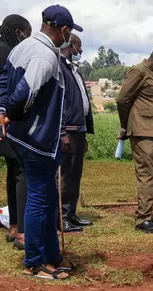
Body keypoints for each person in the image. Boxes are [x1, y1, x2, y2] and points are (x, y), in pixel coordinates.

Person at [0, 4, 83, 280]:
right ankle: (34, 261)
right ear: (63, 29)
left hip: (27, 137)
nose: (69, 36)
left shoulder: (22, 47)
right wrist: (11, 112)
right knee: (40, 197)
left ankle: (51, 256)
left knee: (46, 195)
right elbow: (23, 92)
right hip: (37, 139)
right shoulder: (45, 56)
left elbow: (1, 84)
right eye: (69, 32)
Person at [0, 14, 32, 251]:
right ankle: (22, 231)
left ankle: (15, 226)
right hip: (5, 118)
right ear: (18, 33)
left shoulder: (3, 49)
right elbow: (3, 89)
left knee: (15, 173)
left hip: (6, 117)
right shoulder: (2, 52)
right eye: (27, 35)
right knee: (20, 173)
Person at [116, 45, 153, 234]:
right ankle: (143, 219)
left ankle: (146, 214)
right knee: (147, 175)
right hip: (143, 132)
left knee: (151, 174)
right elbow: (122, 99)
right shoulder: (139, 71)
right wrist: (125, 126)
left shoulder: (151, 73)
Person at [58, 33, 94, 233]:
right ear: (70, 46)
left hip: (78, 129)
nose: (80, 51)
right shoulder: (60, 68)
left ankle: (71, 214)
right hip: (68, 130)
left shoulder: (74, 70)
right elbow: (59, 103)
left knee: (75, 175)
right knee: (64, 176)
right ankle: (61, 217)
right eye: (78, 47)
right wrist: (62, 131)